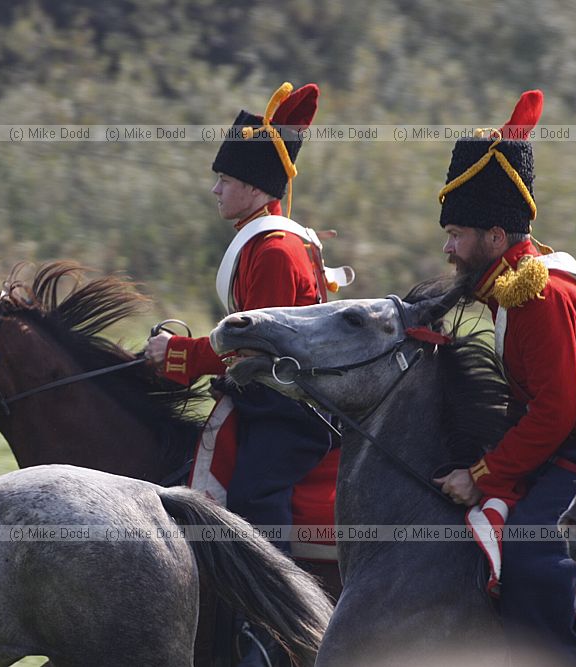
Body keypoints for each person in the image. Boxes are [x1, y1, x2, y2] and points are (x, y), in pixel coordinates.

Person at [431, 91, 576, 665]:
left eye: (457, 234)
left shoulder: (535, 294)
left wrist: (482, 475)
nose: (448, 248)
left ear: (496, 238)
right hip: (568, 443)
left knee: (534, 556)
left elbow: (555, 412)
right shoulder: (512, 285)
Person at [145, 83, 345, 664]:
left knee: (255, 495)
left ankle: (271, 630)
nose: (215, 190)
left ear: (255, 188)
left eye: (225, 180)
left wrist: (179, 356)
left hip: (289, 410)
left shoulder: (276, 249)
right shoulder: (262, 241)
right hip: (266, 398)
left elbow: (256, 344)